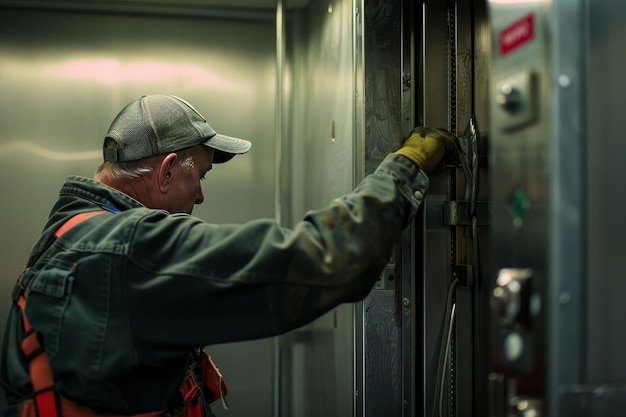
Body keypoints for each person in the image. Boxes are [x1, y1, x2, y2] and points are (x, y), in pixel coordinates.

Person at [0, 94, 458, 417]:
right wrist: (406, 167)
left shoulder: (66, 237)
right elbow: (322, 258)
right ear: (164, 172)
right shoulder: (132, 251)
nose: (199, 196)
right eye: (197, 175)